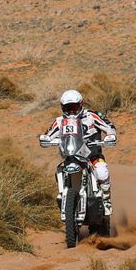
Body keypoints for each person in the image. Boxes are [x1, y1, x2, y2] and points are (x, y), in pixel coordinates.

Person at [38, 88, 117, 217]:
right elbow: (48, 134)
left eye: (74, 107)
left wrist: (110, 136)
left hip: (92, 155)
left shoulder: (91, 116)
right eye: (67, 108)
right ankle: (64, 195)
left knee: (102, 171)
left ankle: (106, 200)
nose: (71, 111)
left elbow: (109, 126)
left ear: (81, 105)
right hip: (71, 156)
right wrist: (46, 139)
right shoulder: (59, 121)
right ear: (62, 107)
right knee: (60, 170)